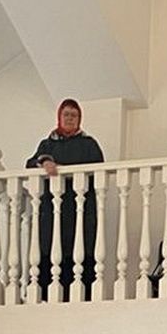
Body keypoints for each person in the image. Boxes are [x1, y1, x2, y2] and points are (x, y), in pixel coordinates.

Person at [26, 99, 105, 300]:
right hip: (53, 209)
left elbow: (99, 171)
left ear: (79, 119)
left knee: (80, 245)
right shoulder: (48, 144)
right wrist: (45, 161)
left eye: (74, 115)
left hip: (81, 208)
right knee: (50, 244)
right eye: (66, 114)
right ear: (59, 117)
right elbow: (30, 164)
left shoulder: (89, 144)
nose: (70, 118)